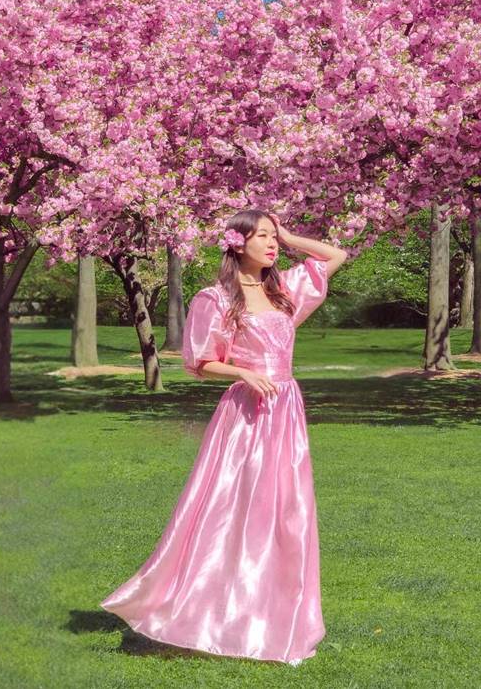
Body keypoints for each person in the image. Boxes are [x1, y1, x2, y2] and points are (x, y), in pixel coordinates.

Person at [99, 209, 348, 665]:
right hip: (244, 414)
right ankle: (204, 606)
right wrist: (243, 373)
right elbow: (200, 362)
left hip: (285, 411)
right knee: (229, 508)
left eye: (275, 237)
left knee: (285, 512)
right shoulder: (215, 298)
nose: (272, 244)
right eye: (264, 236)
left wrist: (291, 236)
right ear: (238, 243)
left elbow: (336, 254)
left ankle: (271, 609)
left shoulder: (284, 289)